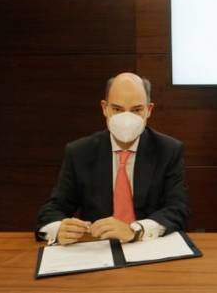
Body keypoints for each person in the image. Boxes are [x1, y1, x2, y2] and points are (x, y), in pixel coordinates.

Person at [36, 73, 189, 245]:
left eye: (136, 110)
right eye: (117, 109)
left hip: (148, 246)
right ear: (105, 108)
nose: (126, 119)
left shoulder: (168, 150)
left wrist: (135, 230)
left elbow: (177, 210)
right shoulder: (79, 152)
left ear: (149, 110)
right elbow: (52, 210)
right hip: (98, 248)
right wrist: (59, 229)